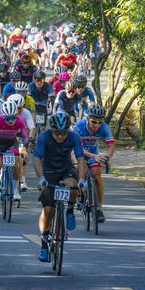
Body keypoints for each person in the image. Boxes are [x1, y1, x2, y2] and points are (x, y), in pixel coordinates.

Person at [34, 112, 85, 262]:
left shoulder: (74, 137)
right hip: (48, 172)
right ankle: (44, 243)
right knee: (48, 210)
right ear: (52, 130)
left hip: (65, 170)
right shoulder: (44, 137)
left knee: (74, 186)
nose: (61, 136)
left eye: (64, 133)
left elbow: (80, 159)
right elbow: (37, 159)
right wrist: (41, 178)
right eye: (57, 133)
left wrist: (81, 180)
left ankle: (69, 210)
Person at [73, 104, 115, 223]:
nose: (96, 125)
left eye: (99, 122)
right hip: (78, 152)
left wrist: (106, 157)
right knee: (78, 168)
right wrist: (94, 156)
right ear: (88, 119)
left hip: (93, 155)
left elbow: (111, 145)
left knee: (97, 175)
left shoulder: (104, 128)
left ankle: (99, 208)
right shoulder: (79, 126)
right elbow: (76, 148)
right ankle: (78, 192)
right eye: (93, 121)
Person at [0, 101, 29, 201]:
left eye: (13, 118)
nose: (10, 121)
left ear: (16, 115)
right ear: (3, 117)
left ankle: (16, 189)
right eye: (7, 118)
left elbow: (25, 136)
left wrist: (24, 148)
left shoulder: (20, 120)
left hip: (12, 144)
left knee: (16, 164)